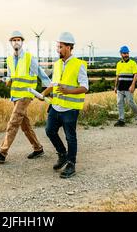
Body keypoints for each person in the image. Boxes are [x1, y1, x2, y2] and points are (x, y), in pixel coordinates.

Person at [0, 31, 51, 163]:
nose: (16, 42)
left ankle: (2, 152)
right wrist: (7, 80)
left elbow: (41, 73)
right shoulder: (10, 59)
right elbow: (11, 77)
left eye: (18, 39)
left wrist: (50, 89)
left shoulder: (29, 57)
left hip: (26, 94)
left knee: (13, 122)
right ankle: (38, 148)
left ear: (22, 42)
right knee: (25, 125)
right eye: (13, 40)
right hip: (15, 96)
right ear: (11, 43)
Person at [41, 32, 88, 179]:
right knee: (50, 131)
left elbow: (85, 87)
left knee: (70, 137)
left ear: (68, 47)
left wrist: (68, 91)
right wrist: (42, 94)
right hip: (56, 107)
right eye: (57, 46)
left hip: (70, 109)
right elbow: (54, 84)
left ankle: (71, 164)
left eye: (60, 47)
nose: (57, 49)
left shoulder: (79, 65)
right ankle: (62, 155)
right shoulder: (57, 64)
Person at [114, 46, 137, 126]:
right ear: (121, 54)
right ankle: (121, 120)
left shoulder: (133, 63)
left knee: (130, 102)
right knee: (119, 103)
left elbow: (136, 75)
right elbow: (117, 76)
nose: (126, 55)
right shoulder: (119, 64)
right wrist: (115, 86)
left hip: (129, 87)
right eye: (124, 53)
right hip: (120, 86)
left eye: (127, 53)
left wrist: (133, 85)